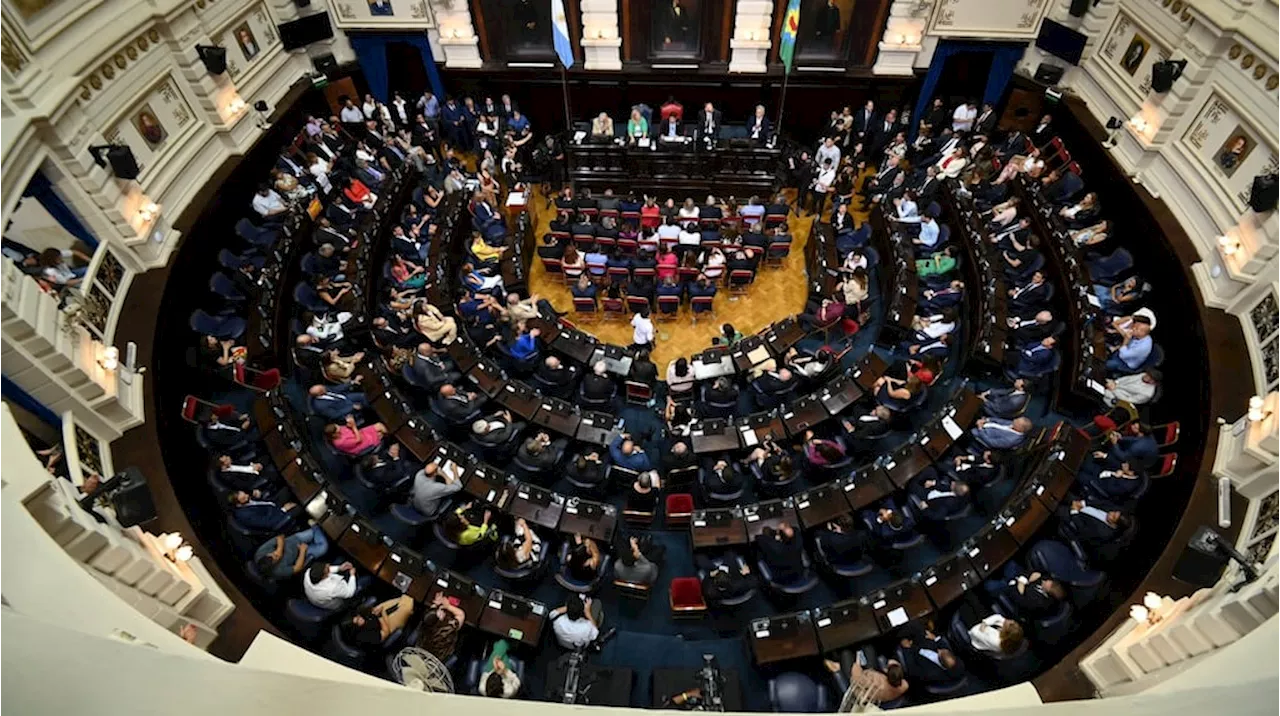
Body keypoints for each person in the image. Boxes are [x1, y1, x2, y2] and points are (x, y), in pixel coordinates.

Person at [254, 526, 330, 581]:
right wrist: (302, 551)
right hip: (300, 554)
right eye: (276, 558)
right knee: (323, 548)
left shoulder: (261, 552)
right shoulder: (278, 571)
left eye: (273, 554)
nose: (276, 555)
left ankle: (319, 529)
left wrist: (279, 550)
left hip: (295, 540)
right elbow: (297, 568)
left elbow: (280, 537)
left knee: (315, 530)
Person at [416, 593, 465, 660]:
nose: (441, 611)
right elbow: (461, 615)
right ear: (440, 619)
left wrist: (436, 603)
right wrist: (448, 606)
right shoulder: (448, 627)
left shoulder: (426, 624)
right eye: (439, 612)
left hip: (421, 654)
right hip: (440, 658)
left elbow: (430, 614)